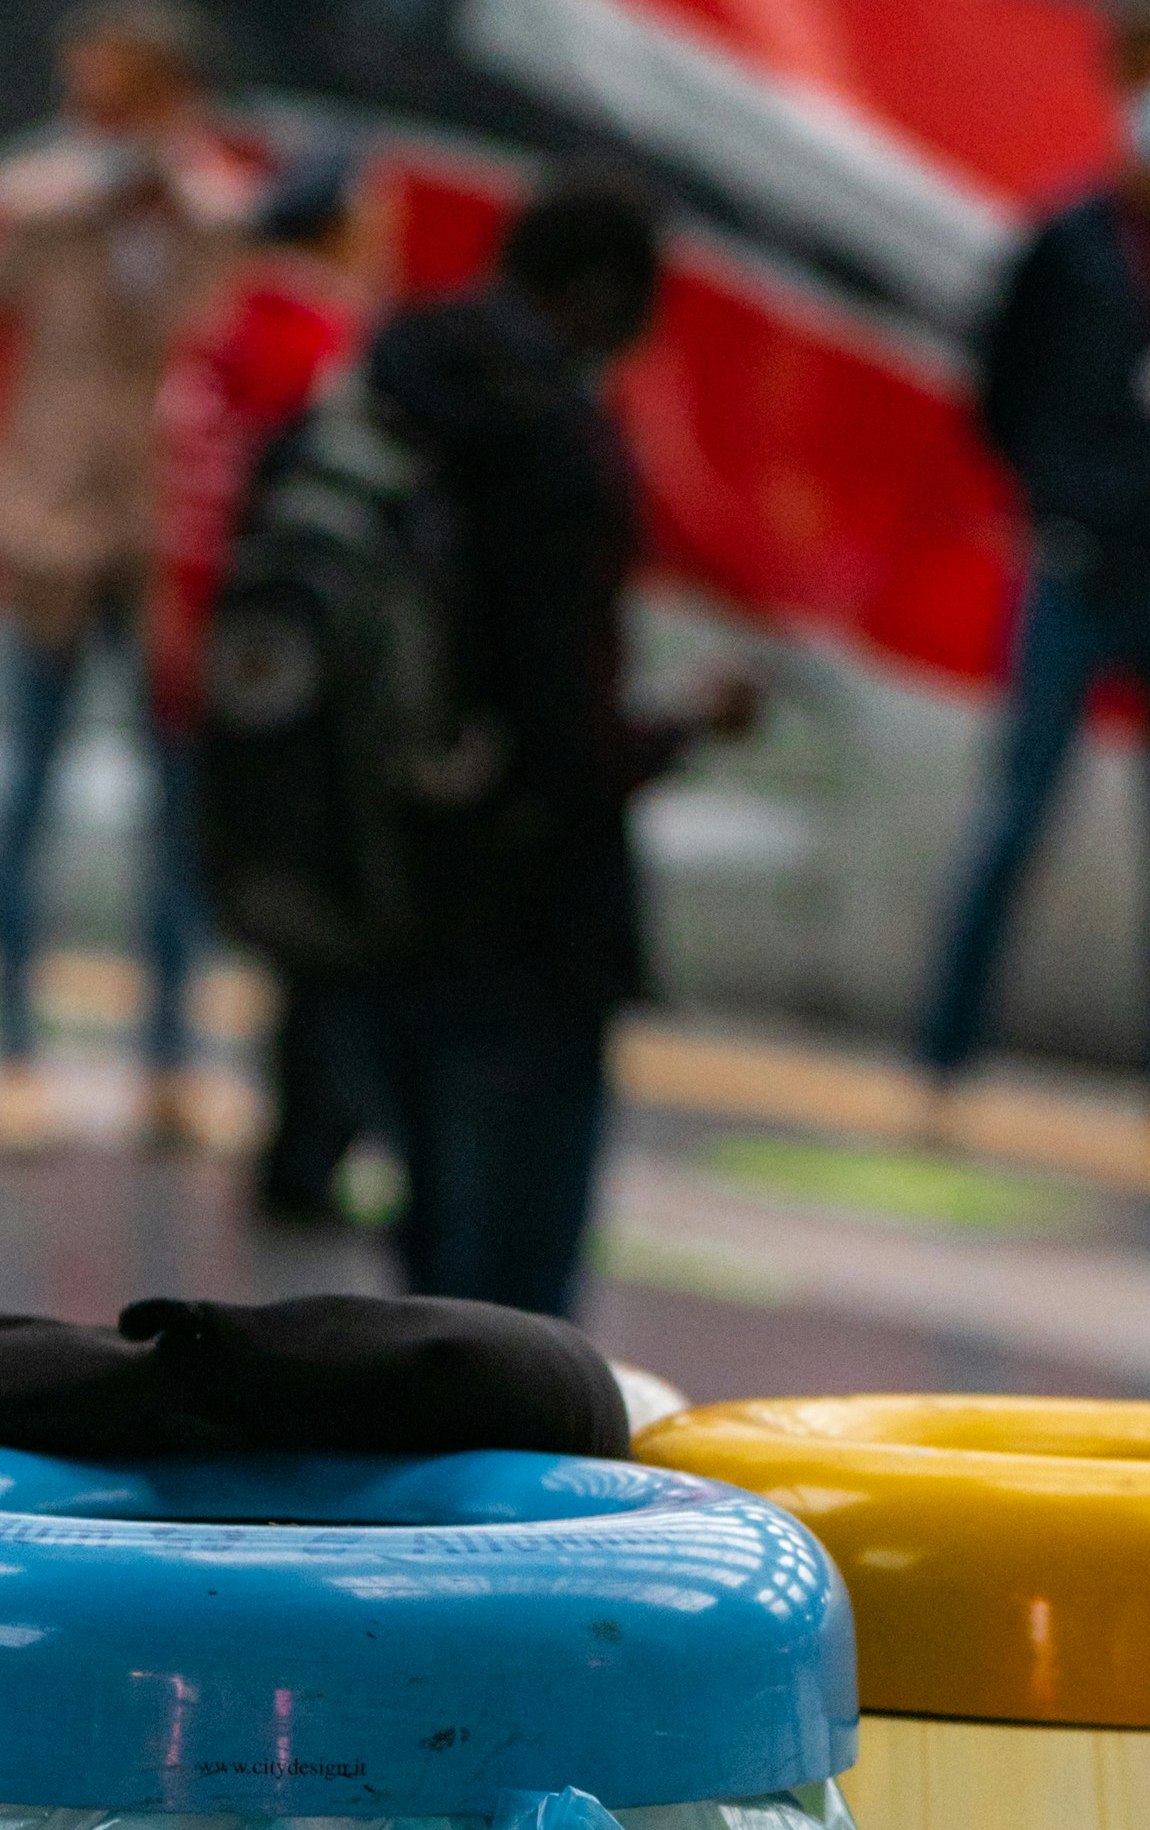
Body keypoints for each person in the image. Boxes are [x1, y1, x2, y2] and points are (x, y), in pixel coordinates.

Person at [357, 175, 741, 1319]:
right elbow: (569, 734)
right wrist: (686, 725)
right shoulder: (557, 446)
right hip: (536, 897)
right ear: (599, 294)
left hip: (391, 865)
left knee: (428, 1226)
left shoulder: (387, 389)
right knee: (519, 1267)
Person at [915, 2, 1150, 1124]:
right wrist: (1060, 495)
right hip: (1081, 569)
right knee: (1017, 814)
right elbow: (997, 389)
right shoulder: (1069, 243)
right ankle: (944, 1056)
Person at [0, 0, 249, 1156]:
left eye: (117, 93)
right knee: (25, 794)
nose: (94, 116)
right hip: (48, 534)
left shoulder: (224, 218)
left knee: (182, 810)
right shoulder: (39, 211)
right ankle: (10, 1050)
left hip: (167, 548)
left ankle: (171, 1060)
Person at [151, 138, 386, 1225]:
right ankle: (308, 1140)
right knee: (318, 918)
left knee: (203, 883)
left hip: (201, 653)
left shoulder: (221, 333)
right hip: (294, 685)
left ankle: (180, 1068)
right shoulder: (323, 346)